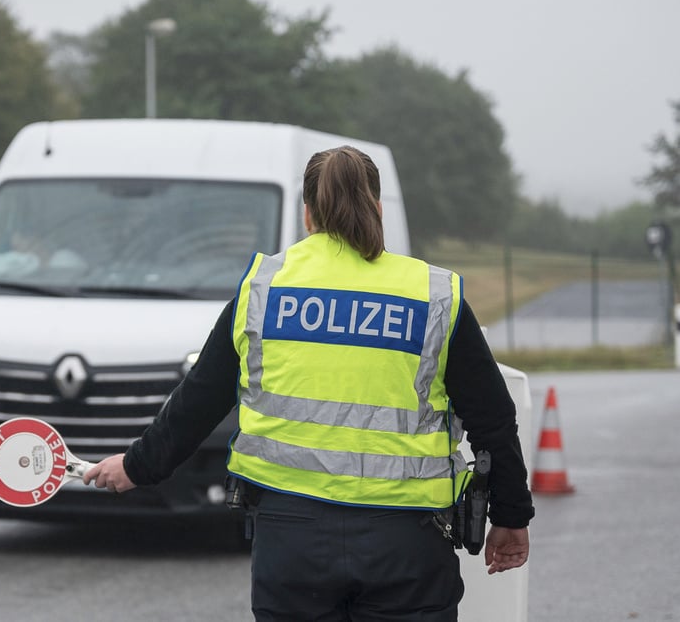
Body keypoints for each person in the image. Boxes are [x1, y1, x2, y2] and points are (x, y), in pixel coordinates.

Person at [83, 145, 534, 621]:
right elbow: (493, 419)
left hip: (291, 540)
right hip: (407, 542)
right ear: (377, 209)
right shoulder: (434, 294)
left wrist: (136, 467)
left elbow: (200, 398)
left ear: (307, 214)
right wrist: (511, 515)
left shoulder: (263, 288)